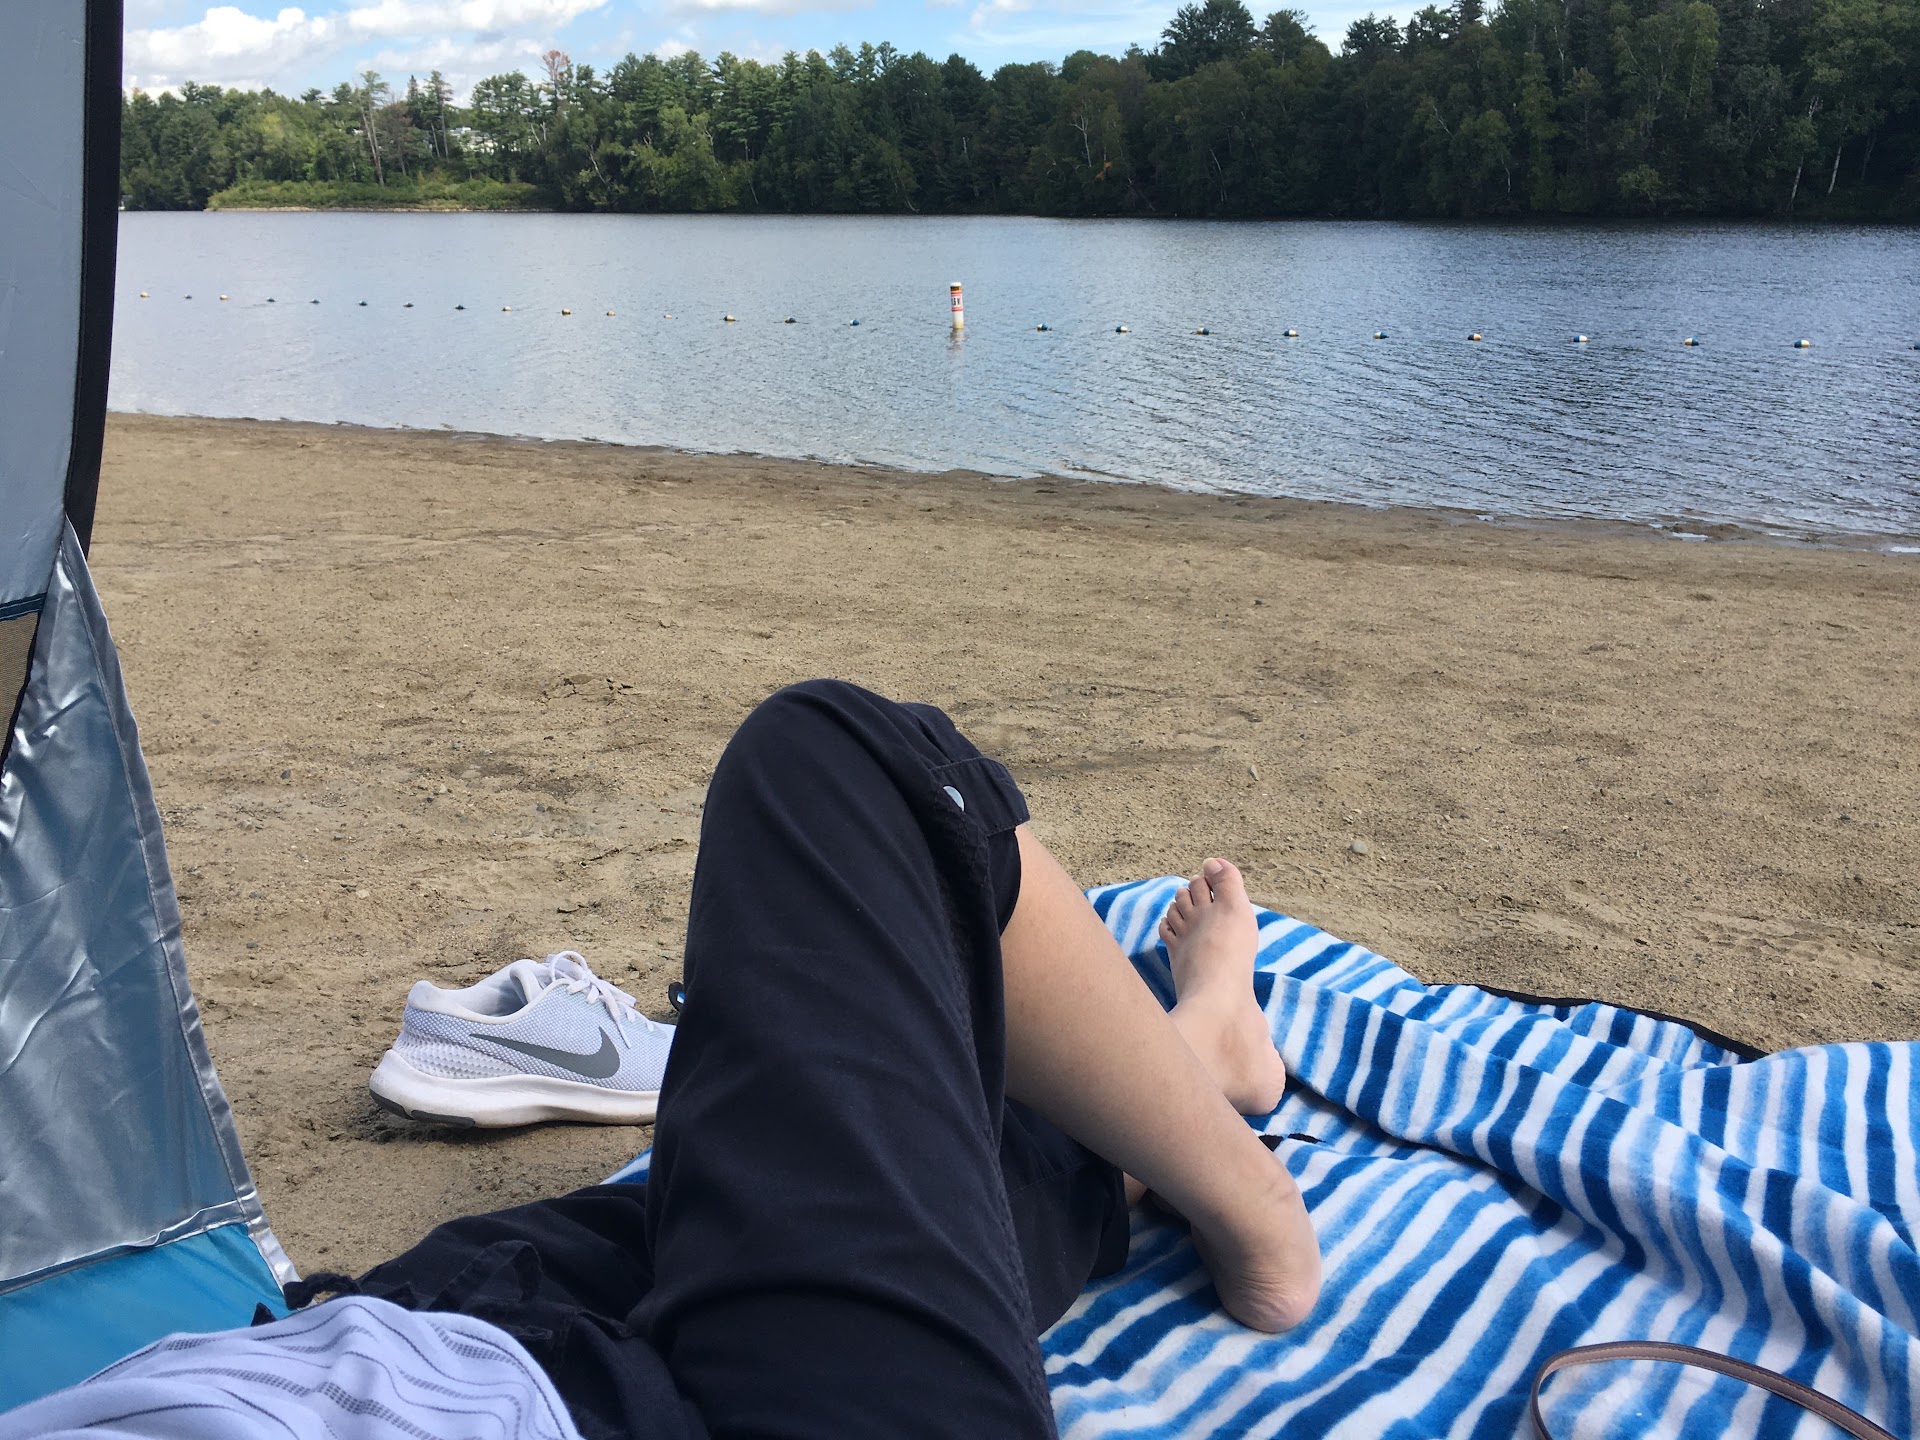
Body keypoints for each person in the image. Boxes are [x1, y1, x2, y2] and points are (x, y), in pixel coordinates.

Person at [3, 680, 1319, 1440]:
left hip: (390, 1347)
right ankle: (1247, 1171)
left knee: (786, 1200)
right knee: (841, 767)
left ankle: (1192, 1067)